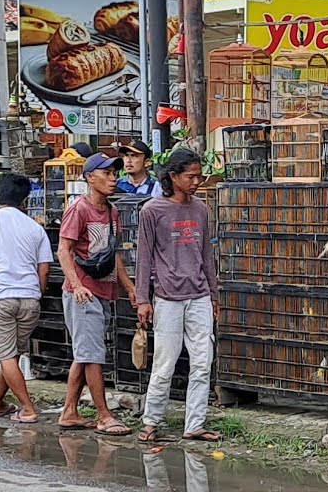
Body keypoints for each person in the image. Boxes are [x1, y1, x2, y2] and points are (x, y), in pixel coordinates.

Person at [136, 147, 219, 443]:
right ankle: (151, 420)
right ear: (173, 176)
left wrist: (213, 294)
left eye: (199, 176)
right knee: (164, 363)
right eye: (190, 176)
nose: (196, 182)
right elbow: (144, 258)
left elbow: (206, 254)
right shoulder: (152, 210)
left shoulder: (201, 209)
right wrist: (142, 299)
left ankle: (194, 424)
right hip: (167, 296)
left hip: (199, 295)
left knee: (202, 362)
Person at [57, 154, 138, 435]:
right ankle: (104, 415)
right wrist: (77, 285)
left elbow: (112, 254)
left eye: (115, 174)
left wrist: (129, 287)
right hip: (83, 293)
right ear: (90, 178)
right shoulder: (79, 210)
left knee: (85, 353)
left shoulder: (112, 212)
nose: (113, 179)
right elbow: (63, 250)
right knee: (92, 355)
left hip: (103, 289)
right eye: (107, 174)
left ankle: (69, 411)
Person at [0, 173, 53, 424]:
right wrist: (37, 292)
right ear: (25, 200)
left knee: (6, 355)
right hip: (29, 298)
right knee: (12, 356)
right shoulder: (35, 228)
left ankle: (28, 408)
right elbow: (44, 269)